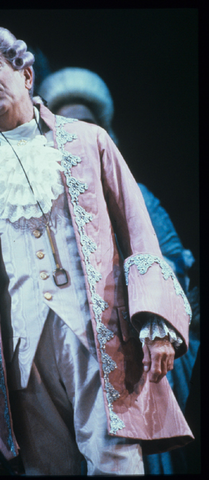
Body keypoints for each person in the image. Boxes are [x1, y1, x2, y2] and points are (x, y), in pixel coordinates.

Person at [0, 25, 194, 476]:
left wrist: (157, 322)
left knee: (115, 464)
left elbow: (139, 232)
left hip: (97, 338)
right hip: (20, 353)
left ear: (26, 74)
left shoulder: (90, 142)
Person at [39, 67, 200, 474]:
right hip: (71, 358)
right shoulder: (43, 206)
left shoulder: (138, 195)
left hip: (136, 351)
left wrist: (152, 318)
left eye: (88, 126)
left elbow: (173, 263)